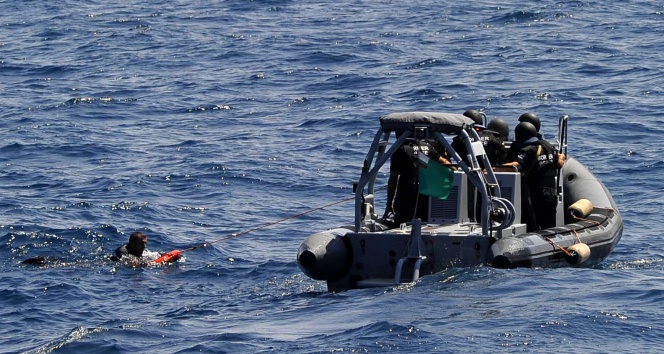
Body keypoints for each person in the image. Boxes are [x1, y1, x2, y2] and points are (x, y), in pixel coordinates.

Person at [499, 122, 565, 231]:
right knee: (549, 223)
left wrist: (491, 168)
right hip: (550, 193)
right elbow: (559, 162)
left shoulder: (528, 150)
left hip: (534, 193)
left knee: (532, 223)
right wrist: (561, 156)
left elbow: (517, 165)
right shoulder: (548, 146)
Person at [384, 133, 453, 226]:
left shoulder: (400, 150)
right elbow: (445, 162)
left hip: (407, 192)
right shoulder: (427, 147)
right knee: (425, 221)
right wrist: (457, 175)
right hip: (427, 192)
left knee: (402, 222)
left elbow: (393, 178)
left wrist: (389, 204)